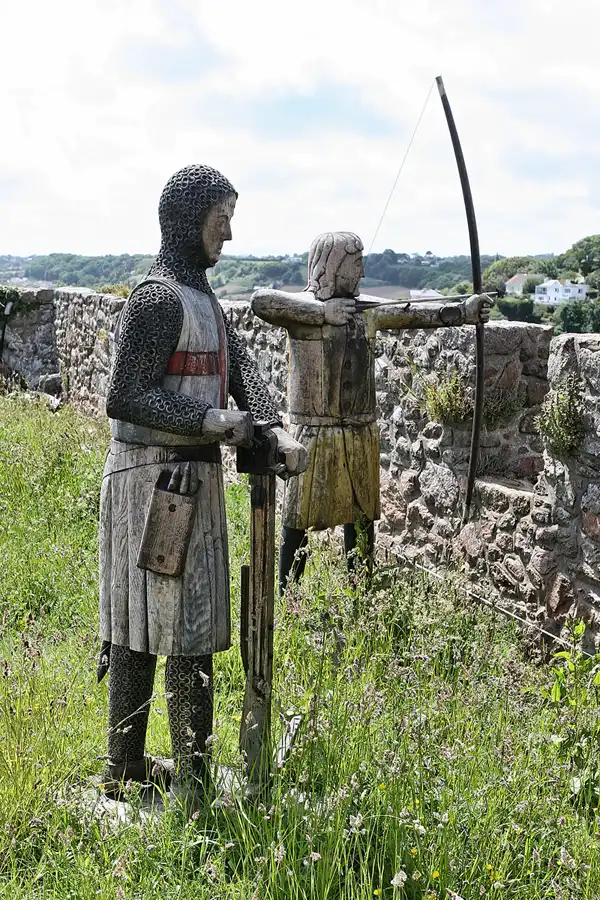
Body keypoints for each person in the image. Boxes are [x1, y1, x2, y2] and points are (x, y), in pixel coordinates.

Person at [97, 164, 306, 805]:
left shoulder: (208, 305)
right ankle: (127, 765)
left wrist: (272, 427)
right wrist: (208, 418)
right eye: (222, 220)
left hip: (196, 485)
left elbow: (244, 377)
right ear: (190, 222)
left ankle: (190, 776)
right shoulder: (157, 299)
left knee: (192, 631)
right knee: (143, 631)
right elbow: (124, 396)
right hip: (152, 485)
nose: (230, 236)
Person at [251, 231, 492, 594]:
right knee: (298, 517)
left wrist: (463, 311)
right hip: (314, 432)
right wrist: (322, 312)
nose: (361, 275)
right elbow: (261, 301)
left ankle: (359, 592)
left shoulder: (365, 312)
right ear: (334, 265)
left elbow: (413, 313)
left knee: (362, 514)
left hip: (360, 430)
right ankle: (289, 596)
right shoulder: (302, 310)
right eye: (356, 265)